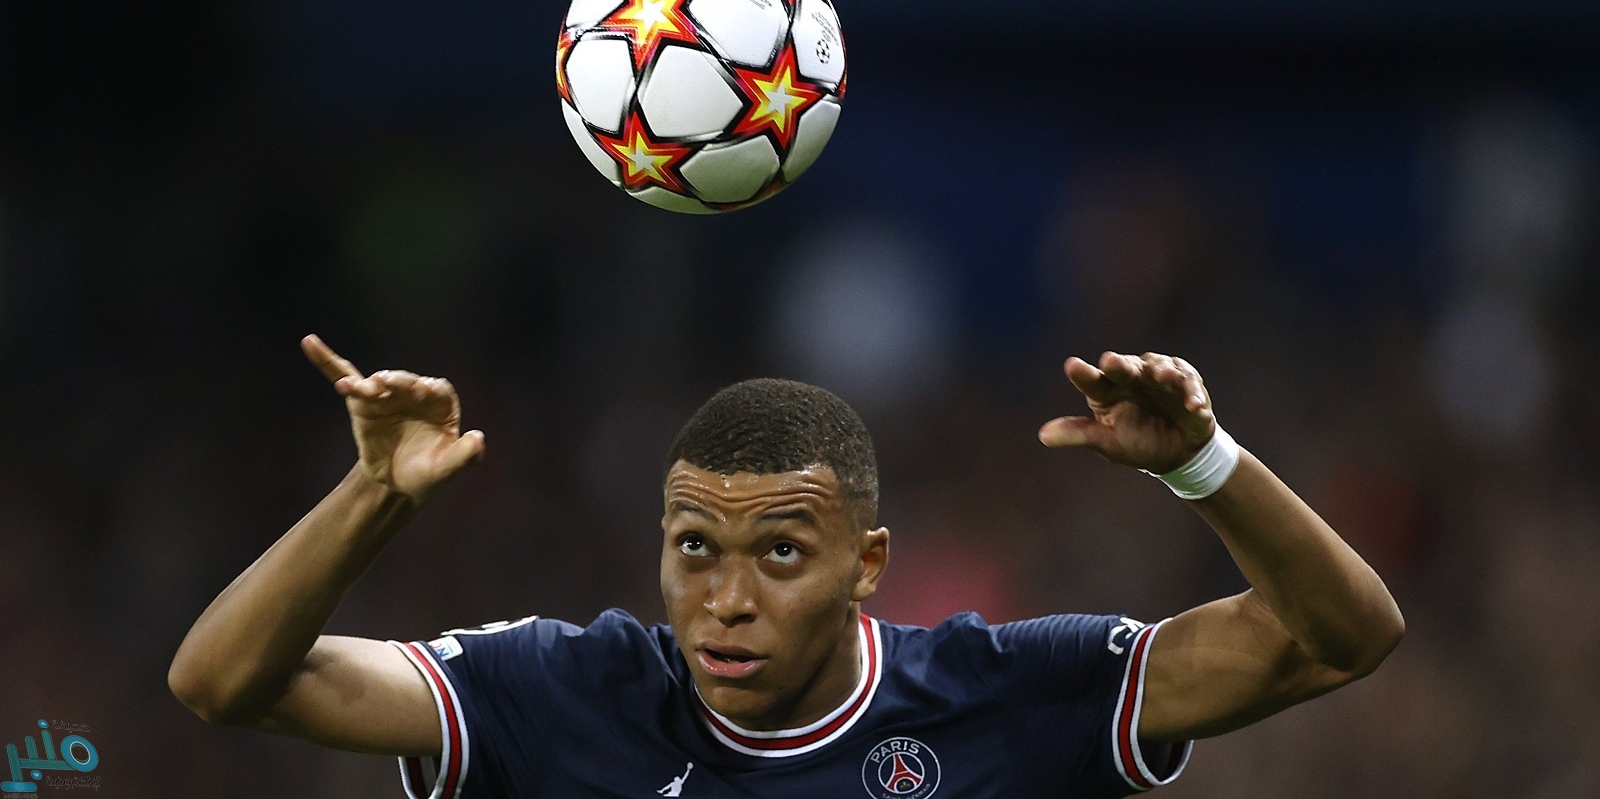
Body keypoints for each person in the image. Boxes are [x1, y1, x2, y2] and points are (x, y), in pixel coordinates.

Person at [169, 334, 1403, 798]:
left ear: (867, 563)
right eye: (693, 549)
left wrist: (1203, 466)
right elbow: (222, 682)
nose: (727, 599)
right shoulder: (556, 693)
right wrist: (375, 496)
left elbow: (1343, 639)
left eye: (779, 553)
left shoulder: (1006, 697)